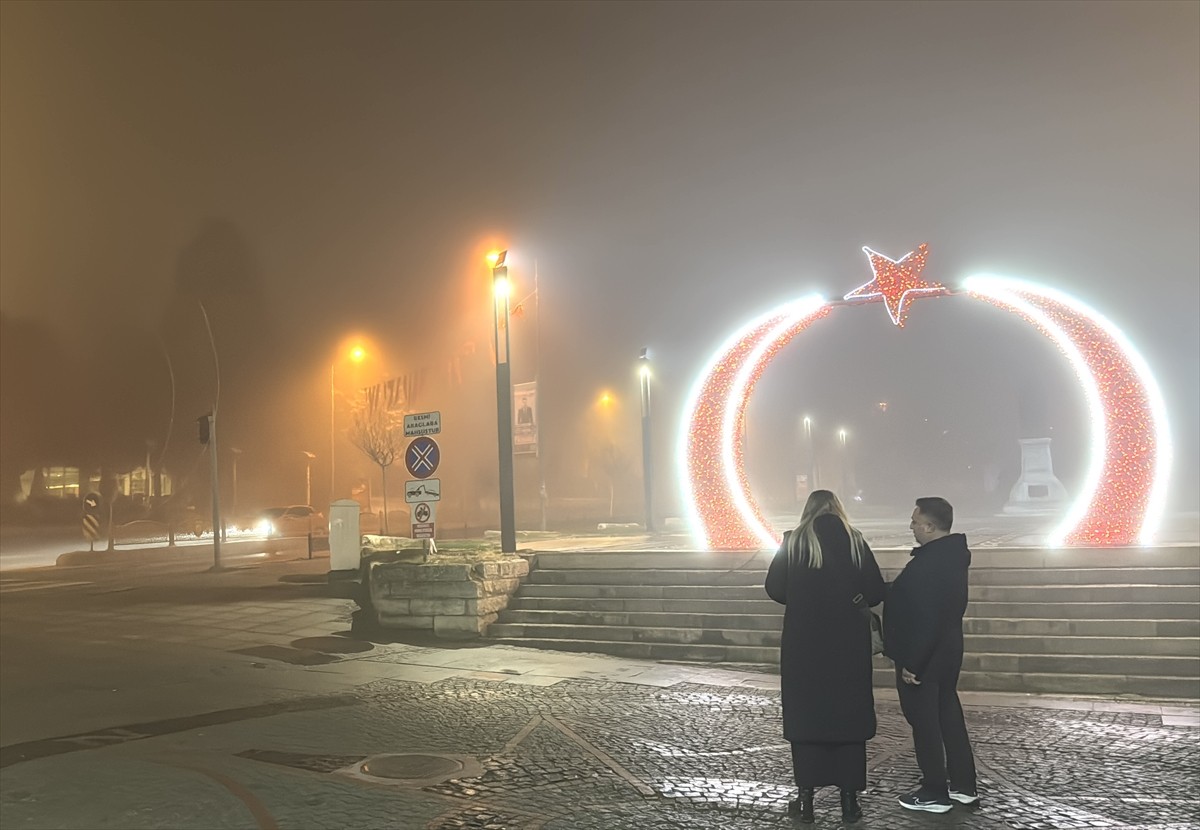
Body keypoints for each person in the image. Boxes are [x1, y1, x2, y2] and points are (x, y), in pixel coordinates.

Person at [765, 490, 886, 824]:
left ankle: (805, 802)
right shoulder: (855, 541)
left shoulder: (794, 542)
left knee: (808, 720)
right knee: (848, 720)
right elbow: (877, 590)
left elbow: (774, 587)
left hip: (805, 648)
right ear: (838, 509)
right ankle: (849, 803)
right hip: (848, 648)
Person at [884, 496, 979, 813]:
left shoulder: (930, 563)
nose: (911, 526)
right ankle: (964, 786)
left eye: (914, 521)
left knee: (925, 724)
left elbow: (927, 617)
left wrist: (914, 663)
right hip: (947, 651)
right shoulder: (951, 556)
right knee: (949, 718)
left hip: (925, 656)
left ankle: (934, 791)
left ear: (929, 525)